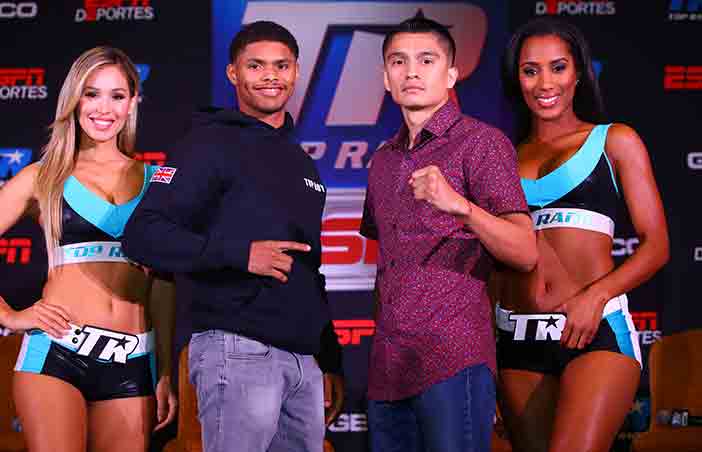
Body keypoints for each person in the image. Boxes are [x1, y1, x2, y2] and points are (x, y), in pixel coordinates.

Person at [121, 21, 344, 452]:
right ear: (233, 74)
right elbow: (143, 235)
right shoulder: (206, 144)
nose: (270, 76)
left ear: (296, 72)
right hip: (237, 347)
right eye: (255, 66)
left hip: (301, 361)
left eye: (281, 66)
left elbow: (308, 270)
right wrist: (240, 255)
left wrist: (328, 357)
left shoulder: (302, 161)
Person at [359, 16, 538, 452]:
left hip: (453, 357)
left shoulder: (481, 143)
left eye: (427, 60)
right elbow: (388, 263)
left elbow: (525, 250)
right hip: (389, 367)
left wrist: (461, 206)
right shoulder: (383, 160)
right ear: (385, 78)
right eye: (398, 62)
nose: (412, 72)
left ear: (451, 74)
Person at [494, 17, 669, 452]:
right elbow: (492, 266)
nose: (544, 83)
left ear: (578, 73)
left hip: (594, 334)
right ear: (516, 79)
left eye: (558, 67)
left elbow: (657, 245)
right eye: (530, 70)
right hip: (515, 343)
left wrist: (595, 297)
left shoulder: (615, 141)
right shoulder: (499, 158)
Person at [0, 46, 177, 452]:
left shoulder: (159, 181)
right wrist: (10, 315)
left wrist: (164, 369)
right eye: (91, 93)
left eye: (117, 95)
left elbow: (165, 285)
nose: (104, 108)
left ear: (133, 102)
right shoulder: (40, 177)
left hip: (135, 360)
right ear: (74, 99)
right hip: (55, 355)